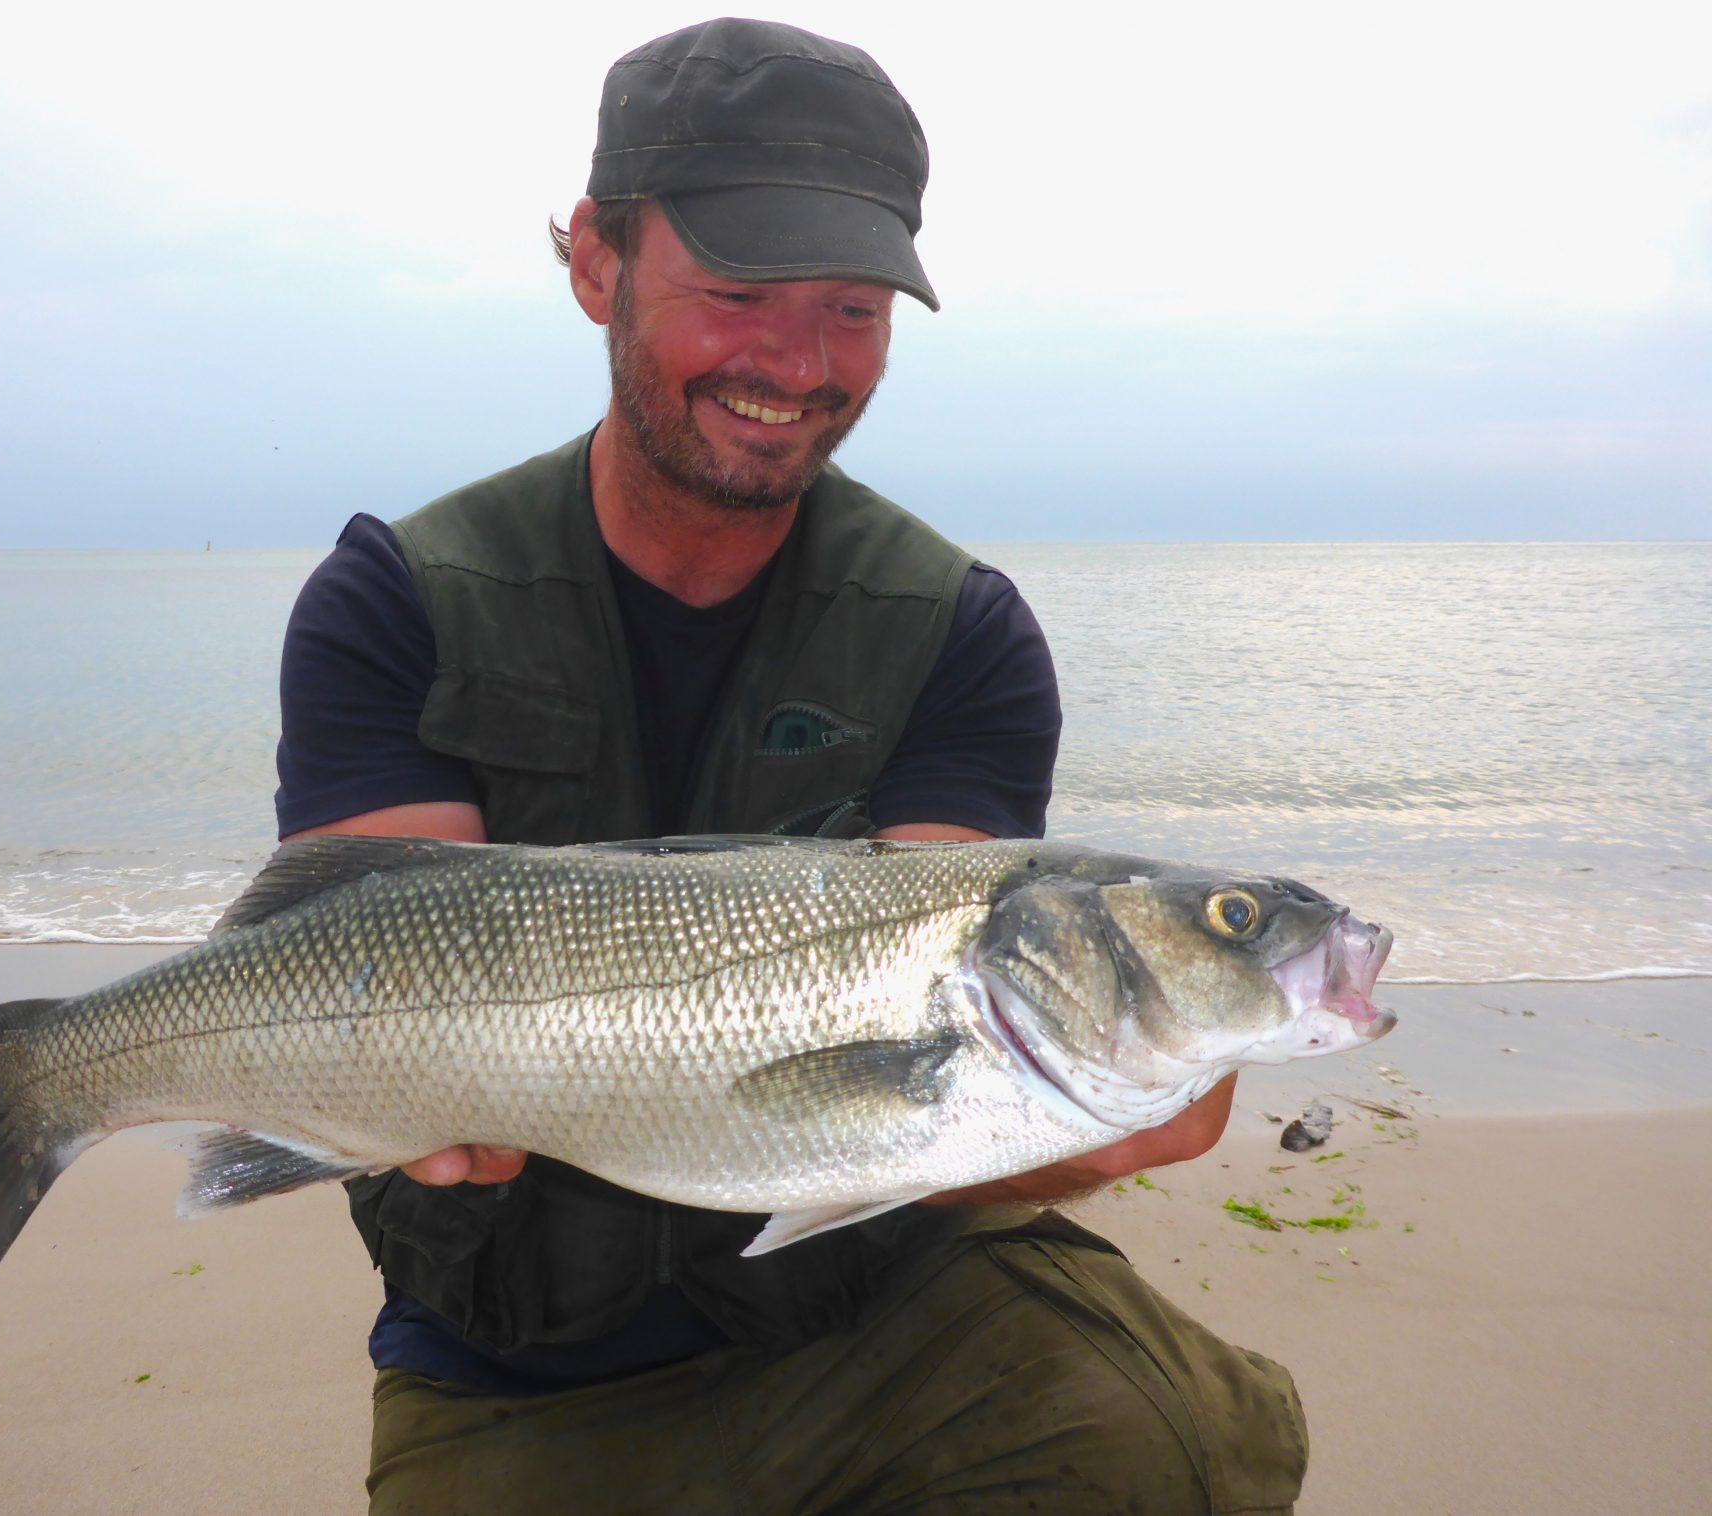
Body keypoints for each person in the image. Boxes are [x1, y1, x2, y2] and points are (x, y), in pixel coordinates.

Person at [275, 18, 1306, 1514]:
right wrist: (384, 1108)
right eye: (738, 292)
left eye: (853, 308)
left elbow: (944, 1038)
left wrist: (1082, 1124)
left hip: (878, 1309)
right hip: (513, 1365)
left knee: (1172, 1447)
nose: (798, 363)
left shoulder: (962, 630)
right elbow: (373, 940)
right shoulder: (395, 601)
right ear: (593, 264)